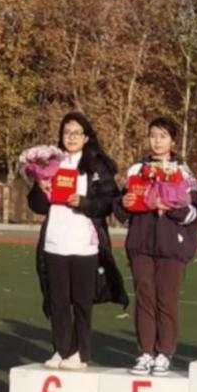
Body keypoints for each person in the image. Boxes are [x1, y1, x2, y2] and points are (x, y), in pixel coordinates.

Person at [28, 112, 128, 370]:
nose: (71, 137)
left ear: (86, 137)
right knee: (57, 300)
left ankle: (80, 353)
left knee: (82, 301)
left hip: (84, 243)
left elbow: (109, 202)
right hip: (55, 241)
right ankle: (61, 349)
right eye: (66, 132)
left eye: (76, 133)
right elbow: (36, 205)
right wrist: (41, 188)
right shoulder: (51, 164)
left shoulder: (97, 166)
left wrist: (83, 202)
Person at [115, 118, 197, 375]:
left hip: (171, 246)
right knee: (144, 298)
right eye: (153, 135)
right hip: (140, 244)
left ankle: (165, 352)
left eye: (163, 136)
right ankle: (145, 352)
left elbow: (194, 212)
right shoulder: (136, 170)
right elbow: (121, 209)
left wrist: (170, 208)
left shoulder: (183, 172)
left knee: (167, 299)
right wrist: (124, 204)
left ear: (173, 141)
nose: (157, 141)